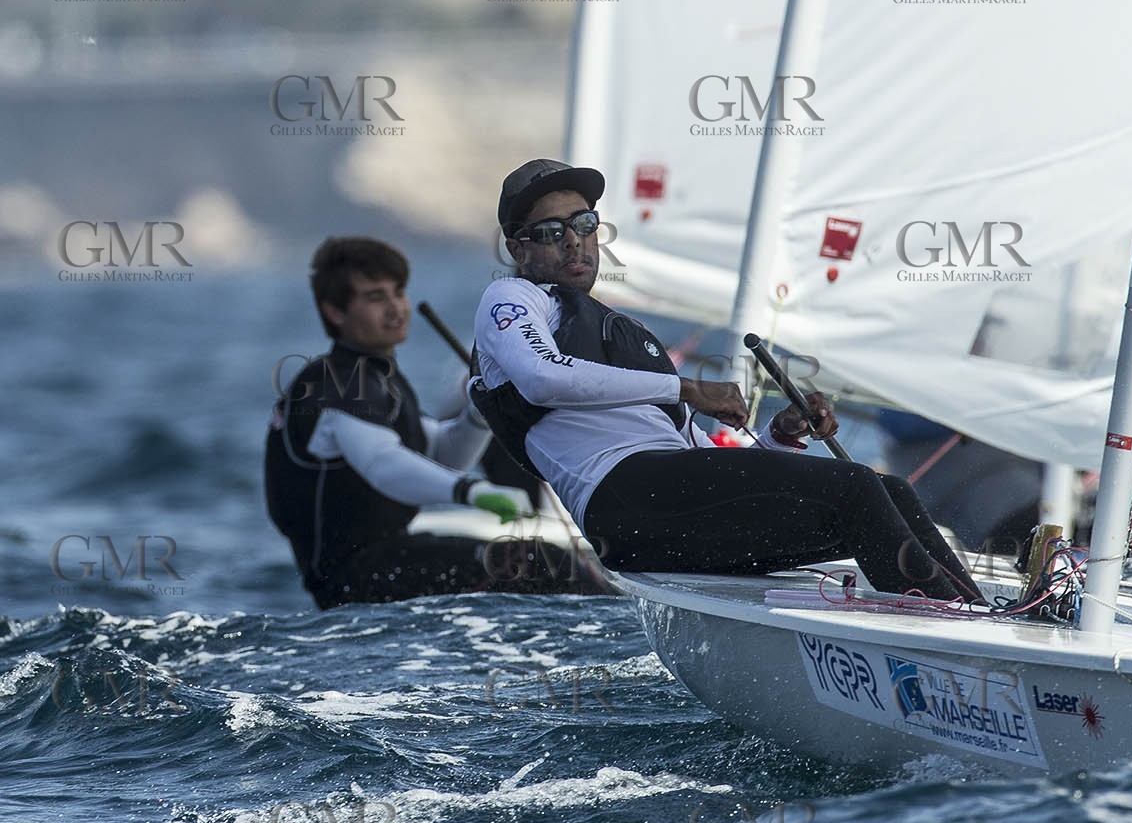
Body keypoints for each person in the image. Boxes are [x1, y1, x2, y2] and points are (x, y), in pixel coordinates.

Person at [469, 159, 985, 601]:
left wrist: (783, 436)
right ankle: (953, 641)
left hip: (672, 504)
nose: (574, 242)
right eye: (551, 232)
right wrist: (688, 388)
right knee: (856, 489)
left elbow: (722, 464)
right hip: (623, 502)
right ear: (519, 248)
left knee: (885, 491)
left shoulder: (617, 332)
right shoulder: (513, 300)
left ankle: (976, 615)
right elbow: (542, 380)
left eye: (584, 224)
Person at [265, 235, 611, 608]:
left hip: (385, 560)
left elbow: (438, 454)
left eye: (398, 293)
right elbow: (384, 463)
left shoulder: (373, 379)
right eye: (376, 298)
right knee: (542, 564)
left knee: (542, 564)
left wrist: (480, 415)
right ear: (335, 312)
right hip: (354, 577)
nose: (396, 308)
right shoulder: (339, 385)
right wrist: (474, 492)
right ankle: (618, 643)